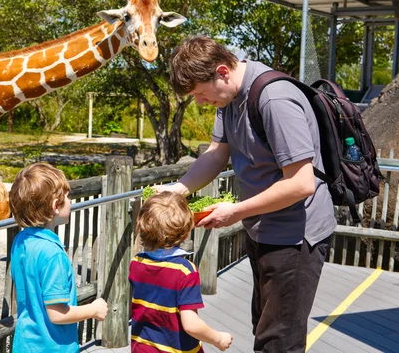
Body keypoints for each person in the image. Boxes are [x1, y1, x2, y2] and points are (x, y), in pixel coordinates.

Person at [160, 35, 336, 352]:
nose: (200, 103)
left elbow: (301, 184)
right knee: (264, 325)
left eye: (201, 93)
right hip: (263, 229)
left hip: (296, 236)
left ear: (223, 71)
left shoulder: (274, 100)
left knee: (279, 339)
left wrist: (237, 211)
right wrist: (178, 189)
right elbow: (216, 154)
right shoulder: (226, 99)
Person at [9, 162, 108, 352]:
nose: (70, 201)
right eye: (67, 197)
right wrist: (94, 310)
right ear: (55, 206)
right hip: (53, 347)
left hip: (26, 344)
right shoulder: (52, 253)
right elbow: (57, 314)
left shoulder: (21, 241)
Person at [129, 191, 233, 352]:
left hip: (142, 347)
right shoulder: (185, 271)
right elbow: (191, 325)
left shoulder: (136, 263)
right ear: (185, 234)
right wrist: (218, 338)